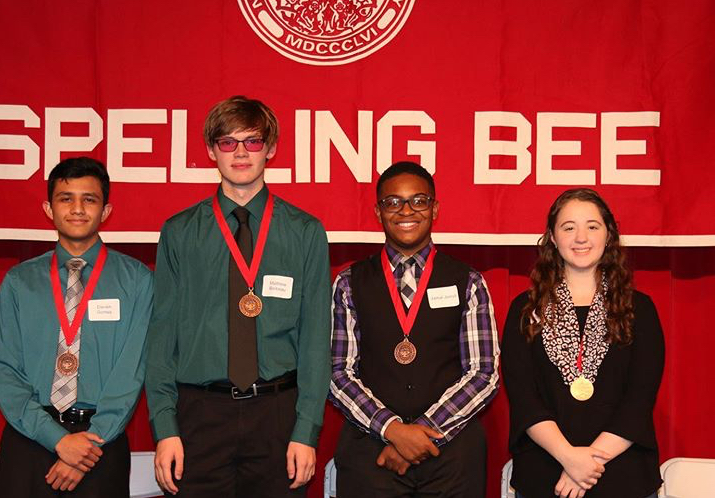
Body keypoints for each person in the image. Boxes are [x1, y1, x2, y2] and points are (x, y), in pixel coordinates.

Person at [145, 95, 331, 497]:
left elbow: (316, 340)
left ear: (272, 148)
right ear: (212, 150)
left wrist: (306, 429)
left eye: (253, 141)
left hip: (278, 415)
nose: (241, 152)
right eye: (228, 142)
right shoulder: (179, 232)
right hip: (200, 416)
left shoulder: (305, 231)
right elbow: (162, 339)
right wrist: (165, 428)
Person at [329, 161, 500, 497]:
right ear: (378, 212)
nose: (405, 210)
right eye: (393, 202)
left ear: (434, 209)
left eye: (418, 200)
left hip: (452, 457)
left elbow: (484, 374)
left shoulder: (469, 282)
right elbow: (338, 373)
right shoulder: (348, 283)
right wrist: (392, 429)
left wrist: (421, 433)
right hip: (371, 455)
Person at [0, 156, 153, 497]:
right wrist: (58, 440)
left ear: (105, 211)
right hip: (30, 441)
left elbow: (132, 371)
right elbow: (4, 370)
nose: (77, 209)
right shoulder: (19, 282)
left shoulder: (137, 281)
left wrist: (85, 449)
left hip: (100, 446)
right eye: (66, 198)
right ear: (49, 208)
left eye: (89, 199)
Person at [501, 188, 665, 498]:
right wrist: (568, 457)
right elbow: (524, 398)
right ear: (552, 237)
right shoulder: (525, 309)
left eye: (592, 226)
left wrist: (586, 465)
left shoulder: (638, 308)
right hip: (546, 476)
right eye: (568, 227)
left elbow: (639, 399)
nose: (581, 237)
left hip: (623, 476)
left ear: (608, 234)